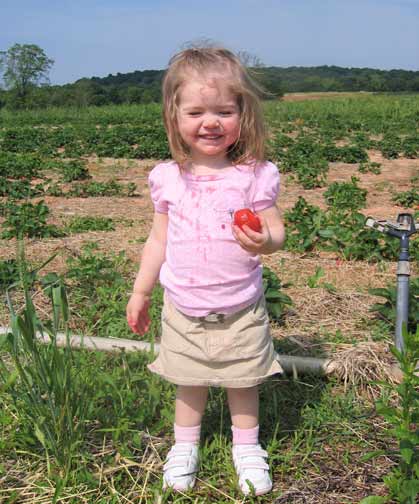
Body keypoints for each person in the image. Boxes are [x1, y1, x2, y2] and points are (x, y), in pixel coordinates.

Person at [126, 46, 285, 496]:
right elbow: (158, 240)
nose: (210, 121)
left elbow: (276, 229)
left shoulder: (254, 174)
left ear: (243, 115)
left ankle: (247, 448)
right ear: (174, 117)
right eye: (196, 111)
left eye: (223, 110)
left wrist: (266, 240)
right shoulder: (167, 177)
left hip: (240, 307)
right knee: (188, 379)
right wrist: (140, 292)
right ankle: (185, 446)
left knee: (243, 380)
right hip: (183, 306)